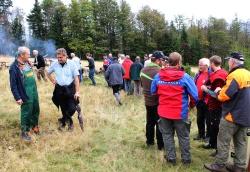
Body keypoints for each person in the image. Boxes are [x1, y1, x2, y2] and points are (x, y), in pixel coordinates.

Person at [204, 52, 250, 172]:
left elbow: (224, 96)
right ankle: (239, 166)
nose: (228, 62)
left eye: (229, 60)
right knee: (241, 143)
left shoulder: (234, 75)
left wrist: (218, 91)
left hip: (232, 116)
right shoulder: (248, 74)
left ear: (233, 62)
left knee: (223, 140)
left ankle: (219, 165)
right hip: (246, 116)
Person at [151, 52, 198, 165]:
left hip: (164, 112)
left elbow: (153, 92)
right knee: (183, 137)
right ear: (179, 63)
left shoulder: (158, 76)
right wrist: (191, 106)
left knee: (167, 136)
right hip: (180, 113)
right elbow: (195, 96)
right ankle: (186, 160)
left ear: (168, 61)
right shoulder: (185, 77)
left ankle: (171, 159)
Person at [9, 46, 40, 142]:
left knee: (35, 109)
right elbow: (13, 85)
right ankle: (24, 132)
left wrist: (31, 65)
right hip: (25, 93)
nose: (29, 55)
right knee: (26, 112)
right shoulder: (14, 68)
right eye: (28, 54)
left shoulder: (27, 63)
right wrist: (17, 97)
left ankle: (34, 126)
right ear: (22, 55)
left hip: (33, 92)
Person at [47, 48, 80, 131]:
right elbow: (48, 73)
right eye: (58, 57)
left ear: (66, 56)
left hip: (70, 88)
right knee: (63, 108)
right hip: (59, 89)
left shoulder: (72, 64)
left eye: (61, 57)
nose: (59, 59)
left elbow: (76, 78)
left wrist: (77, 92)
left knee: (72, 108)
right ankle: (69, 124)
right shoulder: (55, 64)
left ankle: (62, 120)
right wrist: (53, 81)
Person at [201, 55, 228, 152]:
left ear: (212, 63)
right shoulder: (217, 73)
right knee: (211, 125)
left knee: (216, 126)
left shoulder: (219, 76)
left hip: (217, 106)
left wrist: (205, 90)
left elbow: (218, 96)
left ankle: (217, 148)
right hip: (212, 105)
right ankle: (212, 143)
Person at [140, 51, 164, 150]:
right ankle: (160, 145)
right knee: (159, 123)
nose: (163, 61)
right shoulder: (161, 71)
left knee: (149, 122)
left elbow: (142, 85)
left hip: (148, 101)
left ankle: (149, 142)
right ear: (158, 60)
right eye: (162, 60)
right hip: (158, 101)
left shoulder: (143, 70)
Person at [193, 58, 210, 141]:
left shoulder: (211, 74)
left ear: (206, 65)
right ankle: (201, 134)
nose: (199, 66)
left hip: (207, 101)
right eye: (199, 64)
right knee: (199, 119)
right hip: (198, 100)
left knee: (208, 120)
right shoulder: (197, 74)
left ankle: (208, 137)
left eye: (201, 64)